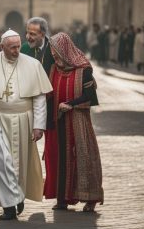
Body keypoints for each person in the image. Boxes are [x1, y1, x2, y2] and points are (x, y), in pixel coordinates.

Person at [0, 29, 52, 220]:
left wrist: (39, 125)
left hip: (25, 119)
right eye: (12, 48)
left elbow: (39, 98)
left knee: (20, 163)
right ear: (2, 47)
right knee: (2, 162)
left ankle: (18, 195)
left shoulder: (32, 65)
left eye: (18, 46)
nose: (17, 51)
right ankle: (9, 205)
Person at [44, 32, 104, 212]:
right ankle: (62, 198)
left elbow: (90, 98)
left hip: (77, 121)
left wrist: (70, 104)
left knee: (82, 158)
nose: (54, 54)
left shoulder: (84, 70)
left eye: (56, 50)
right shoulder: (53, 69)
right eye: (52, 50)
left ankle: (89, 198)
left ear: (65, 50)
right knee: (58, 159)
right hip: (57, 123)